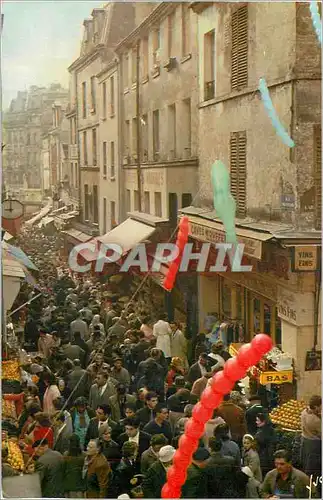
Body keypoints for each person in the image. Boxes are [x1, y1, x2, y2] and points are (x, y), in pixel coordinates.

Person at [300, 394, 321, 480]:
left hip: (305, 441)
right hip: (314, 445)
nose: (321, 408)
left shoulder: (304, 412)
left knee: (307, 467)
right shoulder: (315, 421)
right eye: (320, 406)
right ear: (316, 407)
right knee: (314, 470)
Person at [63, 434, 86, 498]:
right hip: (80, 485)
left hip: (68, 484)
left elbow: (63, 470)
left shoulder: (66, 455)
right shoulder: (84, 455)